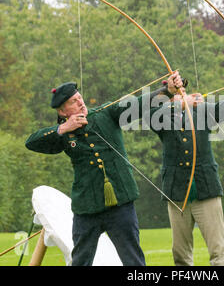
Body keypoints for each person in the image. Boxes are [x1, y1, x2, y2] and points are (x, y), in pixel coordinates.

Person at [25, 71, 183, 266]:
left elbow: (137, 104)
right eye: (74, 102)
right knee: (81, 261)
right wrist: (64, 129)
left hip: (120, 202)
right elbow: (31, 142)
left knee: (133, 261)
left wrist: (167, 91)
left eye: (79, 97)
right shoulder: (63, 134)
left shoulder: (106, 114)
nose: (81, 102)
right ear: (62, 112)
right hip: (87, 208)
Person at [150, 74, 224, 266]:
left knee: (218, 250)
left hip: (206, 188)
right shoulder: (161, 118)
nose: (182, 95)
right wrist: (181, 103)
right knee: (181, 254)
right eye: (176, 94)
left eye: (183, 92)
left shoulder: (202, 112)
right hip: (177, 192)